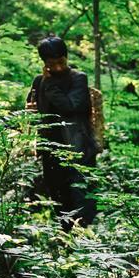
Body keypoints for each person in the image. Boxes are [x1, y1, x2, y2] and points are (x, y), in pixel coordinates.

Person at [25, 36, 98, 230]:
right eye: (51, 64)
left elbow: (70, 106)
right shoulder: (39, 81)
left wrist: (49, 85)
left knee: (81, 196)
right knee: (58, 196)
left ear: (66, 57)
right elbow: (33, 107)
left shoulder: (78, 78)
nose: (57, 68)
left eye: (60, 62)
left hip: (78, 147)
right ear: (44, 63)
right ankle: (65, 237)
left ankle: (86, 238)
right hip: (50, 149)